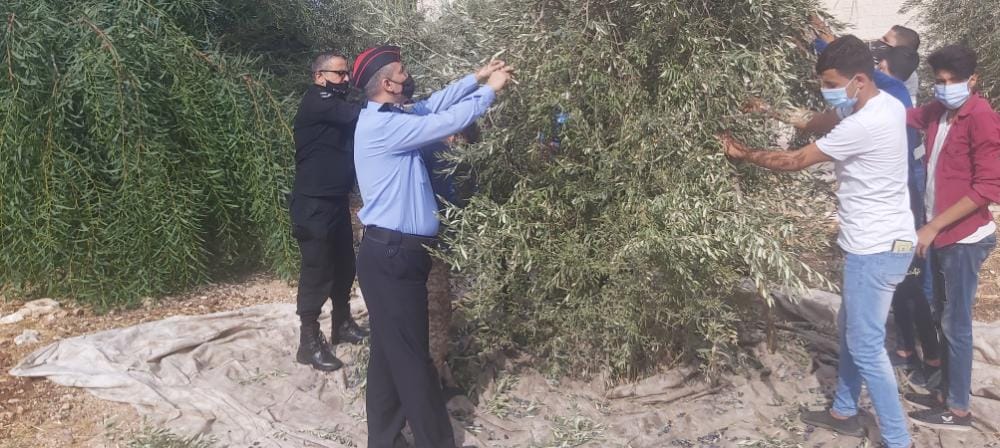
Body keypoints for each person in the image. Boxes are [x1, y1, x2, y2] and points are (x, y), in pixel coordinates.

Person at [721, 36, 915, 448]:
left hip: (875, 250)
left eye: (831, 84)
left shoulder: (864, 125)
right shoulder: (885, 104)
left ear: (859, 80)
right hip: (884, 241)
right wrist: (769, 110)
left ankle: (898, 440)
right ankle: (843, 411)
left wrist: (743, 153)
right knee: (851, 330)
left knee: (866, 345)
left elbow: (794, 160)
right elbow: (815, 121)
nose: (826, 91)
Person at [350, 45, 513, 448]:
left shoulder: (391, 116)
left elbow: (433, 104)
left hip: (394, 254)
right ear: (387, 84)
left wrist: (475, 77)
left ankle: (384, 440)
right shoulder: (384, 127)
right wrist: (490, 90)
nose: (408, 77)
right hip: (393, 256)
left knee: (389, 353)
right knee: (413, 360)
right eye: (402, 72)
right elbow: (448, 120)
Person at [904, 44, 1000, 431]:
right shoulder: (937, 112)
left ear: (972, 80)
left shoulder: (981, 118)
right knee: (942, 316)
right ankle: (945, 393)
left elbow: (988, 188)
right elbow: (899, 115)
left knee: (956, 324)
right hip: (944, 237)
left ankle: (958, 410)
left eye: (951, 81)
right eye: (938, 81)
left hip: (964, 239)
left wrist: (932, 226)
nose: (944, 88)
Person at [290, 52, 368, 372]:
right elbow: (359, 115)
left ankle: (342, 323)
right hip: (313, 205)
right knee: (317, 270)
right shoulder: (317, 101)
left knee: (344, 264)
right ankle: (308, 342)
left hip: (335, 200)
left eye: (347, 73)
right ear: (319, 77)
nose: (345, 79)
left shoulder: (333, 102)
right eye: (339, 74)